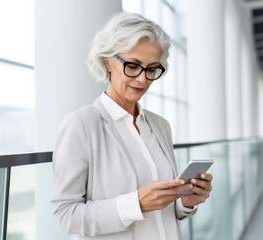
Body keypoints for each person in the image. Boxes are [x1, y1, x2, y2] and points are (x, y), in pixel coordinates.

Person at [52, 12, 213, 240]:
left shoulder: (160, 126)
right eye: (133, 66)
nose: (142, 79)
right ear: (107, 61)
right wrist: (135, 204)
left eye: (151, 69)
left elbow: (164, 208)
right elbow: (66, 215)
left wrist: (186, 201)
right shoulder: (81, 125)